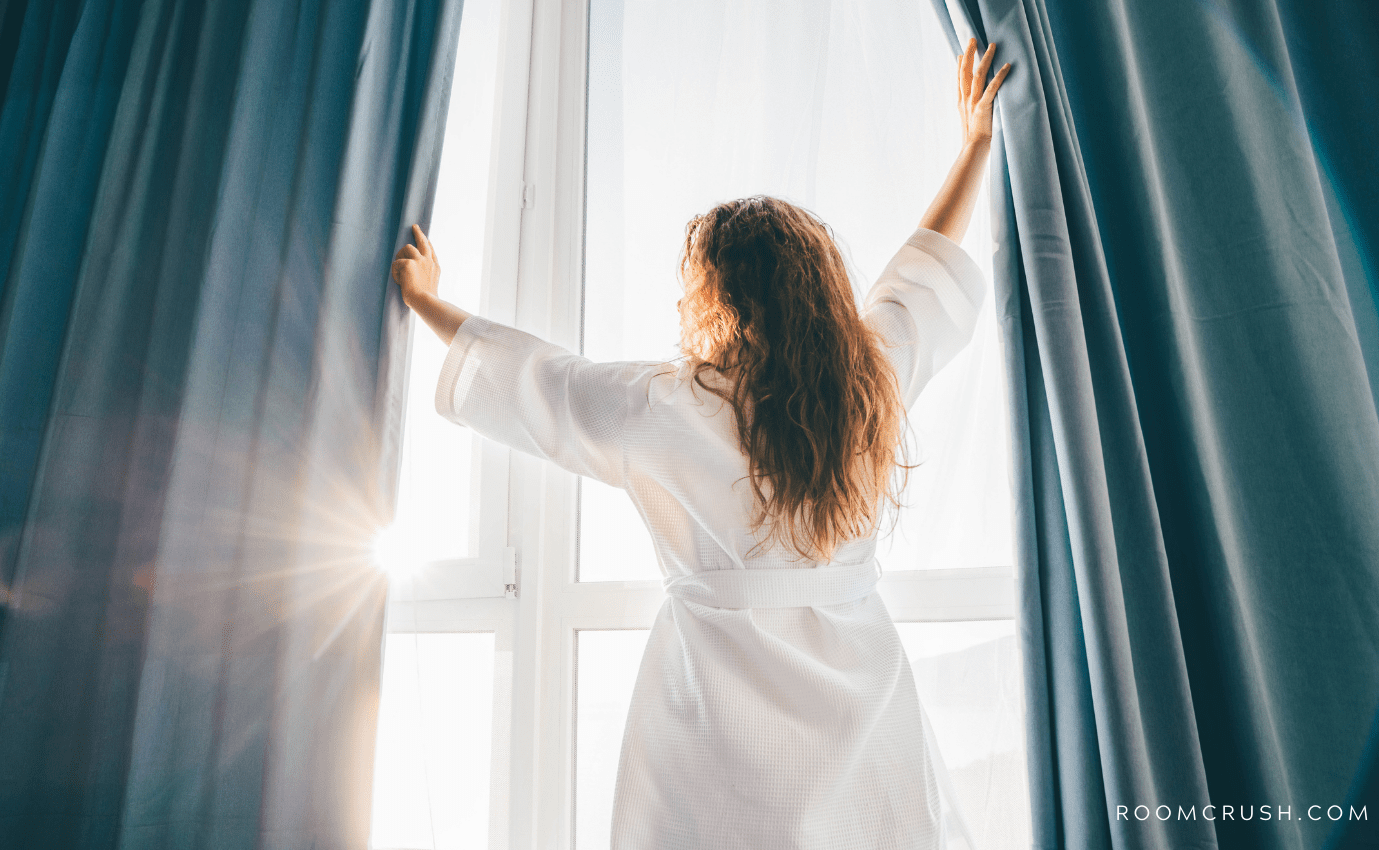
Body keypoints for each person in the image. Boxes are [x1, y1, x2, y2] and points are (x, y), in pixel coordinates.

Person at [392, 37, 1010, 850]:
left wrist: (428, 303)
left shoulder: (668, 408)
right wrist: (973, 146)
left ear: (719, 298)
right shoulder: (871, 382)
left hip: (716, 711)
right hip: (863, 696)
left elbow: (543, 379)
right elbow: (922, 269)